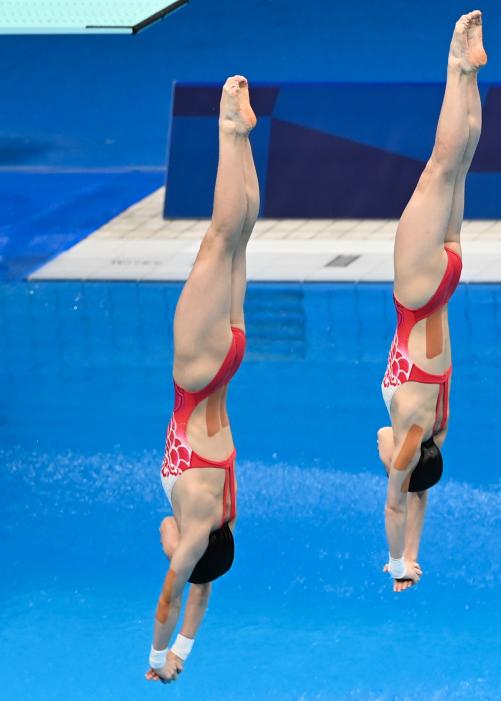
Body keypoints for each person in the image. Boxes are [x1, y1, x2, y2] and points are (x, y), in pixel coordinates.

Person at [145, 75, 259, 683]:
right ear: (193, 555)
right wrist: (159, 658)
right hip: (196, 371)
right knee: (218, 239)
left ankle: (241, 136)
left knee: (239, 240)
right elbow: (175, 596)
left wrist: (188, 654)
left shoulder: (225, 516)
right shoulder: (192, 533)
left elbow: (203, 592)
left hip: (230, 357)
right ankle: (226, 126)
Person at [377, 10, 486, 593]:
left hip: (447, 278)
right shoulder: (413, 430)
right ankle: (454, 63)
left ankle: (470, 74)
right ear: (409, 458)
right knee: (440, 165)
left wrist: (415, 559)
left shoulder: (439, 428)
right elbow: (399, 504)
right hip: (418, 292)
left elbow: (419, 497)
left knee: (461, 164)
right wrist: (396, 560)